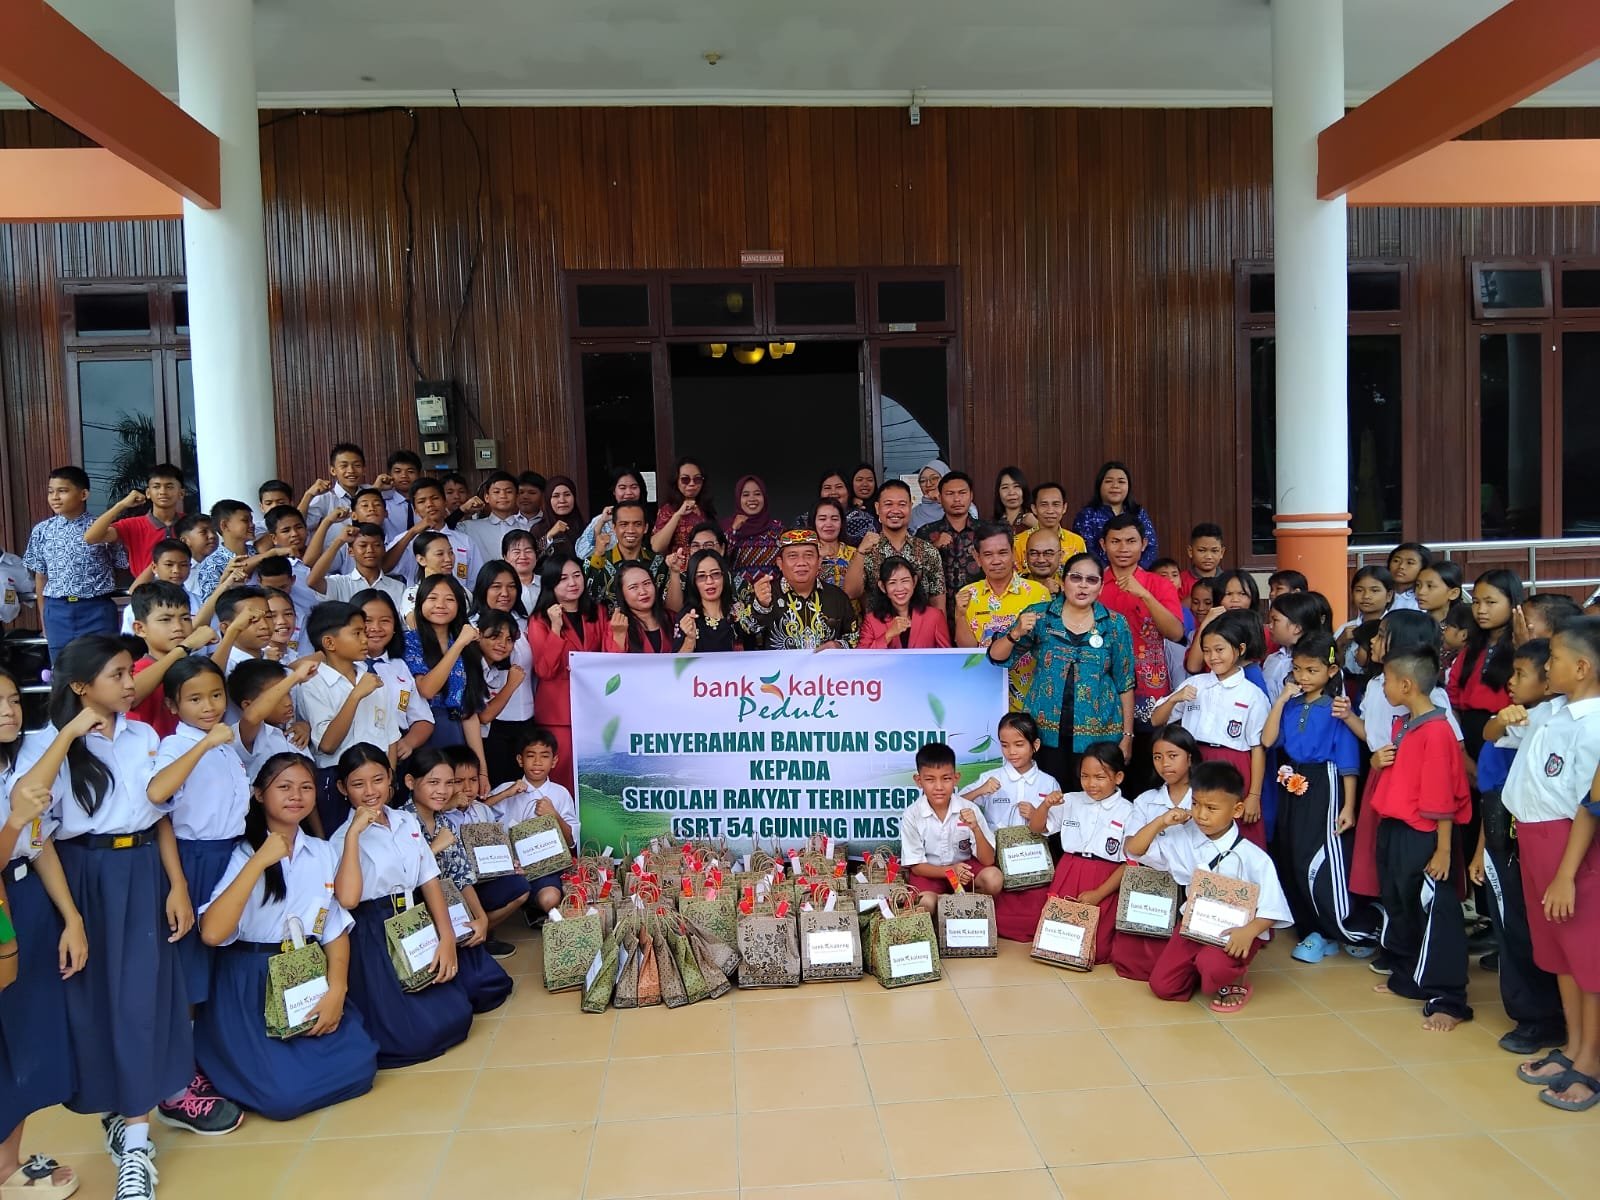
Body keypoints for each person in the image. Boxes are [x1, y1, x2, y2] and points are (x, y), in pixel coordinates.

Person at [14, 638, 245, 1200]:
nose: (129, 683)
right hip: (84, 874)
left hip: (143, 869)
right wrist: (70, 916)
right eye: (117, 674)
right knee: (94, 1003)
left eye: (129, 673)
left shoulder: (144, 735)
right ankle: (118, 1114)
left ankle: (137, 1144)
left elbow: (158, 815)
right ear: (80, 686)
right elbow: (37, 830)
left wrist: (178, 886)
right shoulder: (44, 744)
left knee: (145, 998)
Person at [192, 751, 379, 1122]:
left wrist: (337, 989)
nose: (296, 795)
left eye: (306, 787)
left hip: (307, 973)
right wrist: (259, 861)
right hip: (252, 980)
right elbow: (213, 933)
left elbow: (334, 927)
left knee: (362, 1065)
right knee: (285, 1097)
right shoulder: (239, 853)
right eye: (284, 787)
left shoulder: (322, 852)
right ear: (259, 793)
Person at [1496, 620, 1600, 1108]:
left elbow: (1588, 805)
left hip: (1570, 849)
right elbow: (1499, 731)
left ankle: (1591, 1063)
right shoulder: (1555, 711)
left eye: (1554, 658)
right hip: (1535, 839)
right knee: (1560, 956)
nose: (1546, 666)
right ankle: (1575, 1047)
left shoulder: (1595, 724)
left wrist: (1565, 874)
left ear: (1581, 668)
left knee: (1587, 962)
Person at [331, 744, 473, 1069]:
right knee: (411, 1038)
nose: (370, 791)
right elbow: (349, 900)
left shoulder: (406, 821)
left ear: (391, 779)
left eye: (378, 780)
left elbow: (429, 877)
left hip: (412, 919)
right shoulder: (339, 839)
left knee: (458, 1016)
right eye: (358, 784)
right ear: (342, 788)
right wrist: (354, 835)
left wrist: (447, 938)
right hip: (374, 931)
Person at [0, 666, 84, 1200]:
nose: (9, 710)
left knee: (27, 1032)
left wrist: (71, 917)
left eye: (11, 699)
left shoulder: (24, 755)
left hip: (28, 900)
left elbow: (40, 841)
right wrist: (13, 821)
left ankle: (8, 1163)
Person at [1127, 761, 1293, 1012]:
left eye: (1211, 808)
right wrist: (1162, 821)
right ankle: (1205, 970)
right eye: (1195, 804)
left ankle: (1231, 977)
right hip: (1194, 926)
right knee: (1163, 986)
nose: (1201, 814)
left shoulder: (1255, 858)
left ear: (1237, 810)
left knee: (1213, 964)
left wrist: (1248, 932)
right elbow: (1134, 850)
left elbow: (1272, 909)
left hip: (1235, 932)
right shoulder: (1183, 836)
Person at [1369, 646, 1474, 1032]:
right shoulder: (1409, 724)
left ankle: (1448, 997)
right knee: (1400, 901)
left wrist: (1444, 848)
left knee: (1434, 911)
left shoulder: (1437, 730)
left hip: (1425, 833)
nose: (1384, 689)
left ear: (1407, 684)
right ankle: (1409, 975)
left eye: (1388, 681)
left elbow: (1442, 794)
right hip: (1396, 826)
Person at [1474, 639, 1566, 1056]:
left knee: (1539, 930)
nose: (1510, 682)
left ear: (1550, 681)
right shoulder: (1534, 714)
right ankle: (1534, 1016)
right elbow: (1491, 732)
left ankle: (1547, 1017)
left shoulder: (1569, 719)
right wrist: (1503, 718)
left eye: (1520, 674)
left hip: (1549, 834)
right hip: (1514, 832)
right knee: (1515, 926)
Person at [148, 658, 252, 1011]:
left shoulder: (223, 742)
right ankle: (187, 1047)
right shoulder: (176, 747)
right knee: (192, 954)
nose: (209, 706)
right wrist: (204, 746)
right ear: (172, 706)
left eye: (216, 695)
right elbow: (158, 793)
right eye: (195, 699)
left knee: (224, 951)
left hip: (231, 853)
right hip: (195, 857)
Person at [1262, 631, 1367, 962]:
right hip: (1292, 777)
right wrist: (1280, 699)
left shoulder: (1336, 708)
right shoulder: (1291, 705)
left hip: (1326, 782)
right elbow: (1268, 741)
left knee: (1321, 856)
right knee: (1292, 852)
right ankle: (1312, 928)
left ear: (1331, 672)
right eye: (1298, 670)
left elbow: (1348, 761)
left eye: (1312, 670)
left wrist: (1349, 806)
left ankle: (1339, 928)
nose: (1303, 677)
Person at [988, 552, 1134, 789]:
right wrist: (1015, 633)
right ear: (1063, 581)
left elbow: (1125, 683)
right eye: (1076, 578)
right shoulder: (1040, 616)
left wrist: (1127, 738)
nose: (1083, 586)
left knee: (1093, 801)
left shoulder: (1115, 624)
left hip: (1100, 734)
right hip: (1046, 734)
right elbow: (997, 657)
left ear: (1101, 586)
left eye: (1091, 580)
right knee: (1049, 802)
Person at [300, 601, 431, 836]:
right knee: (343, 846)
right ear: (329, 643)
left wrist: (389, 781)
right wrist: (356, 695)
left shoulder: (371, 678)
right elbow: (328, 745)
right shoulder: (313, 684)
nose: (365, 637)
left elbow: (390, 735)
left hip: (379, 782)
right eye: (357, 633)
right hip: (339, 781)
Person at [399, 750, 515, 1006]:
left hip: (453, 914)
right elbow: (400, 883)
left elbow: (461, 877)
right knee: (463, 994)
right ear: (410, 782)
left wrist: (482, 918)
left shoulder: (445, 822)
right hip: (419, 920)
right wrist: (433, 849)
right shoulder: (399, 823)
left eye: (448, 783)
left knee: (492, 987)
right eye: (433, 782)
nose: (442, 790)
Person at [1151, 611, 1269, 848]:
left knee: (1235, 831)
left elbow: (1258, 748)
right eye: (1206, 650)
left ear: (1240, 649)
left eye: (1219, 649)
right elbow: (1156, 720)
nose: (1212, 657)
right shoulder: (1196, 684)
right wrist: (1175, 699)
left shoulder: (1252, 694)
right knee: (1195, 829)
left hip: (1234, 763)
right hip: (1195, 762)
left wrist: (1254, 795)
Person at [1098, 513, 1186, 787]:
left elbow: (1176, 632)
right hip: (1105, 690)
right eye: (1115, 541)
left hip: (1150, 692)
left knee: (1149, 775)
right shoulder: (1094, 583)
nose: (1123, 548)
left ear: (1144, 544)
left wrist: (1145, 595)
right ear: (1103, 545)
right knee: (1107, 771)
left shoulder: (1158, 585)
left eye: (1130, 541)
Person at [1032, 742, 1133, 963]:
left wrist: (1099, 893)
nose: (1091, 784)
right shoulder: (1070, 800)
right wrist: (1045, 806)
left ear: (1118, 778)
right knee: (1057, 942)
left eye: (1100, 777)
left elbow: (1129, 862)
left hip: (1105, 878)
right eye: (1084, 776)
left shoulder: (1128, 811)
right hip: (1070, 870)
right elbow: (1037, 828)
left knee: (1097, 949)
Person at [1113, 723, 1200, 982]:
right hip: (1152, 885)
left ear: (1190, 757)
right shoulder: (1145, 800)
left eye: (1173, 756)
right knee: (1132, 961)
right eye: (1158, 757)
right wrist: (1161, 821)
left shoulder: (1204, 798)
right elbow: (1133, 849)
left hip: (1191, 887)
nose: (1165, 764)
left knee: (1181, 964)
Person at [24, 465, 127, 660]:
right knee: (64, 670)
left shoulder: (102, 528)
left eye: (62, 491)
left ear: (83, 494)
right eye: (51, 491)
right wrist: (44, 618)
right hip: (57, 611)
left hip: (96, 609)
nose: (55, 497)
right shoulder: (42, 530)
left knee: (102, 668)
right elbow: (41, 576)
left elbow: (121, 566)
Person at [527, 552, 606, 794]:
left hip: (594, 708)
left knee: (594, 778)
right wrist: (556, 628)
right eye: (563, 578)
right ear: (551, 583)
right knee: (561, 776)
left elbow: (608, 656)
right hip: (558, 712)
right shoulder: (539, 619)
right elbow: (544, 669)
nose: (572, 583)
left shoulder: (597, 612)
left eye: (576, 576)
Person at [953, 525, 1051, 707]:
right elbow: (968, 649)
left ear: (1014, 553)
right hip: (984, 692)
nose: (996, 561)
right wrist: (959, 615)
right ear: (977, 557)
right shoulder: (968, 594)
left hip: (1029, 695)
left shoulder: (1038, 593)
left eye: (1003, 552)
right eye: (988, 554)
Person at [900, 741, 1002, 912]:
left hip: (965, 871)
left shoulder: (969, 809)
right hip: (930, 874)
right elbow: (916, 865)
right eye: (930, 779)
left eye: (946, 779)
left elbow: (988, 860)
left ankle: (956, 906)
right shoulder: (912, 815)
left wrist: (975, 828)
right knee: (925, 905)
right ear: (918, 781)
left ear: (956, 778)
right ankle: (950, 905)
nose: (939, 787)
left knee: (994, 878)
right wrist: (950, 871)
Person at [488, 727, 577, 924]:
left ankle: (533, 904)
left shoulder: (560, 793)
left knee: (550, 899)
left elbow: (571, 841)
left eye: (544, 756)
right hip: (509, 867)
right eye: (531, 756)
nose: (537, 762)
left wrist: (553, 815)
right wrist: (505, 794)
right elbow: (474, 812)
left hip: (544, 868)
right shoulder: (506, 789)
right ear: (520, 760)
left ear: (554, 761)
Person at [406, 577, 490, 778]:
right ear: (421, 603)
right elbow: (426, 689)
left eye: (449, 599)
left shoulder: (467, 646)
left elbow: (469, 712)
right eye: (432, 598)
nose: (440, 605)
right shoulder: (411, 640)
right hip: (424, 733)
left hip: (456, 733)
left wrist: (482, 771)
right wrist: (459, 644)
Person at [127, 581, 224, 738]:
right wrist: (185, 646)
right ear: (140, 628)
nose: (178, 626)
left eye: (185, 618)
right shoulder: (139, 669)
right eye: (165, 620)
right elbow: (130, 696)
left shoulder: (187, 666)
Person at [738, 529, 858, 650]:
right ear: (780, 563)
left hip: (825, 668)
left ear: (819, 561)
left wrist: (838, 645)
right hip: (779, 668)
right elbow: (747, 632)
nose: (801, 562)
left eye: (809, 555)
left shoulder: (837, 596)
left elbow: (854, 637)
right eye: (792, 556)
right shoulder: (766, 594)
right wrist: (761, 606)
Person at [1451, 569, 1524, 760]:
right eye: (1476, 602)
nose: (1481, 610)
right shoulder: (1470, 648)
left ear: (1513, 604)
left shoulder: (1522, 649)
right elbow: (1453, 692)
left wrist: (1524, 647)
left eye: (1490, 602)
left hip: (1505, 734)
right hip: (1467, 732)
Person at [845, 480, 946, 614]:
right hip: (878, 632)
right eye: (888, 504)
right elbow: (851, 593)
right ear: (877, 508)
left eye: (902, 504)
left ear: (910, 507)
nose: (895, 510)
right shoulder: (866, 550)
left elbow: (938, 604)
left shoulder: (928, 551)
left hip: (920, 631)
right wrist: (860, 553)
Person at [82, 464, 187, 577]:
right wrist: (121, 505)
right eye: (156, 487)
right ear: (148, 493)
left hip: (187, 592)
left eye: (169, 487)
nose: (162, 492)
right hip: (145, 592)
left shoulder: (191, 524)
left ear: (181, 493)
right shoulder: (132, 525)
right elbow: (91, 538)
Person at [384, 477, 481, 590]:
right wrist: (412, 532)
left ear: (444, 502)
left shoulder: (465, 541)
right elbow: (384, 567)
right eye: (421, 501)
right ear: (415, 509)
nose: (429, 504)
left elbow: (476, 580)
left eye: (434, 498)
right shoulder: (406, 539)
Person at [477, 610, 536, 787]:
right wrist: (511, 685)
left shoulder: (491, 667)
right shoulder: (471, 664)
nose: (502, 644)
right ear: (479, 635)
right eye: (495, 637)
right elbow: (485, 715)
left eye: (509, 640)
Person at [915, 470, 984, 620]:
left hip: (980, 612)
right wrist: (933, 548)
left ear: (971, 496)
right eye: (950, 494)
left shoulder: (985, 532)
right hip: (936, 614)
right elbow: (913, 574)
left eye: (962, 493)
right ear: (939, 498)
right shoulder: (926, 532)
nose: (957, 499)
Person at [583, 499, 667, 609]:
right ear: (614, 527)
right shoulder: (596, 561)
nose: (631, 530)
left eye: (637, 524)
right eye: (624, 524)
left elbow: (666, 605)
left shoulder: (658, 562)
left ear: (645, 528)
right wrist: (598, 554)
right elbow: (587, 600)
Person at [1073, 462, 1158, 569]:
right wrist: (1107, 572)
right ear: (1099, 485)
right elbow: (1086, 548)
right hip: (1101, 577)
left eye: (1121, 481)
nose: (1115, 486)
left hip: (1137, 576)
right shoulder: (1087, 515)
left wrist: (1136, 571)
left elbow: (1151, 546)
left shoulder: (1138, 513)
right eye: (1109, 481)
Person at [307, 521, 406, 608]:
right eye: (363, 545)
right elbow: (313, 581)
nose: (370, 550)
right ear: (350, 551)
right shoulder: (340, 583)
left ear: (384, 549)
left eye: (376, 545)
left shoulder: (399, 588)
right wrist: (339, 541)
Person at [858, 560, 951, 650]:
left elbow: (946, 657)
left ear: (914, 582)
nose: (899, 588)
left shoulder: (935, 616)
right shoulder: (871, 620)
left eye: (905, 580)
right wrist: (888, 635)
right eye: (892, 582)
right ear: (882, 587)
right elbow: (862, 659)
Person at [1263, 591, 1333, 702]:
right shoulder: (1272, 659)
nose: (1269, 626)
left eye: (1275, 620)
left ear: (1297, 628)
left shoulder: (1320, 663)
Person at [675, 548, 744, 653]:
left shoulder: (739, 611)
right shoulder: (687, 618)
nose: (709, 581)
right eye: (701, 576)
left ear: (724, 576)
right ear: (693, 581)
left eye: (715, 574)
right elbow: (677, 666)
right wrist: (689, 640)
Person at [457, 471, 531, 568]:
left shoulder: (527, 528)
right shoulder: (470, 527)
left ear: (517, 496)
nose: (503, 496)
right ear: (486, 497)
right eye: (496, 492)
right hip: (483, 581)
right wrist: (462, 509)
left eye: (509, 491)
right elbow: (444, 529)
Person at [1010, 482, 1086, 575]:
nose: (1050, 511)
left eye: (1056, 504)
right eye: (1044, 504)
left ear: (1064, 508)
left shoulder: (1076, 542)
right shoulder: (1018, 542)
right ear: (1034, 508)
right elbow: (1014, 581)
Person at [723, 475, 785, 585]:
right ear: (738, 499)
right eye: (745, 495)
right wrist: (733, 530)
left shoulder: (777, 528)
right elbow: (720, 558)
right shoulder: (728, 526)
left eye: (757, 494)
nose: (752, 499)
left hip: (772, 595)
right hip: (739, 596)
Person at [575, 467, 648, 560]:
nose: (628, 492)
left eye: (634, 487)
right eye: (622, 488)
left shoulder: (647, 516)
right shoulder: (604, 519)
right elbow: (582, 553)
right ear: (614, 491)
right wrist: (601, 522)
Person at [1336, 566, 1395, 675]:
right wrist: (1339, 643)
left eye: (1374, 590)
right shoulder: (1345, 628)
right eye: (1359, 590)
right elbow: (1328, 661)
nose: (1366, 596)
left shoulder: (1395, 628)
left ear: (1389, 595)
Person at [651, 458, 716, 556]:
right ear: (676, 481)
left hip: (704, 568)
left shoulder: (706, 508)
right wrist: (678, 515)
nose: (692, 483)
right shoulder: (668, 510)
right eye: (685, 479)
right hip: (679, 568)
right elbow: (657, 547)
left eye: (697, 479)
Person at [607, 563, 673, 653]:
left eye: (647, 583)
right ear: (622, 594)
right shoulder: (616, 625)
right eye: (633, 587)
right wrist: (619, 635)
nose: (643, 592)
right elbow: (612, 664)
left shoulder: (672, 618)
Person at [303, 443, 368, 532]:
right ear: (333, 471)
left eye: (357, 465)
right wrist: (309, 495)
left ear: (364, 470)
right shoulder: (324, 498)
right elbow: (300, 525)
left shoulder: (370, 492)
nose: (351, 471)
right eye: (344, 466)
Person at [810, 498, 856, 591]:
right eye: (822, 519)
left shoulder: (855, 554)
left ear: (842, 522)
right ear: (814, 522)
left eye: (834, 519)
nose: (828, 524)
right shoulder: (807, 554)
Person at [381, 449, 424, 541]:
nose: (404, 475)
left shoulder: (428, 502)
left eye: (410, 471)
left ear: (419, 474)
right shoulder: (382, 502)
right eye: (398, 471)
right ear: (389, 474)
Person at [539, 475, 583, 556]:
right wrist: (549, 536)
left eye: (567, 495)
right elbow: (535, 557)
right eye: (556, 496)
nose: (562, 500)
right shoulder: (538, 529)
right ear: (548, 500)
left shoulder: (585, 527)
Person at [501, 529, 542, 615]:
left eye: (528, 551)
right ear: (505, 557)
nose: (523, 556)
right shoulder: (500, 587)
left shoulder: (547, 583)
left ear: (536, 555)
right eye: (516, 552)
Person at [1182, 523, 1226, 600]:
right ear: (1190, 551)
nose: (1208, 557)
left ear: (1222, 552)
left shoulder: (1228, 581)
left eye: (1214, 551)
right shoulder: (1181, 581)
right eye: (1202, 550)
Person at [1386, 542, 1432, 611]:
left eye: (1410, 563)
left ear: (1423, 568)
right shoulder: (1380, 591)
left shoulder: (1425, 597)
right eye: (1396, 561)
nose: (1401, 566)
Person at [992, 467, 1036, 536]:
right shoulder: (993, 525)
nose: (1011, 492)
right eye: (1005, 487)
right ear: (998, 493)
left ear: (1024, 490)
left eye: (1016, 486)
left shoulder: (1034, 520)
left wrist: (1037, 526)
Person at [845, 463, 879, 546]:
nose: (865, 484)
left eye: (870, 480)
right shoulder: (843, 506)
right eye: (859, 480)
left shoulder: (881, 507)